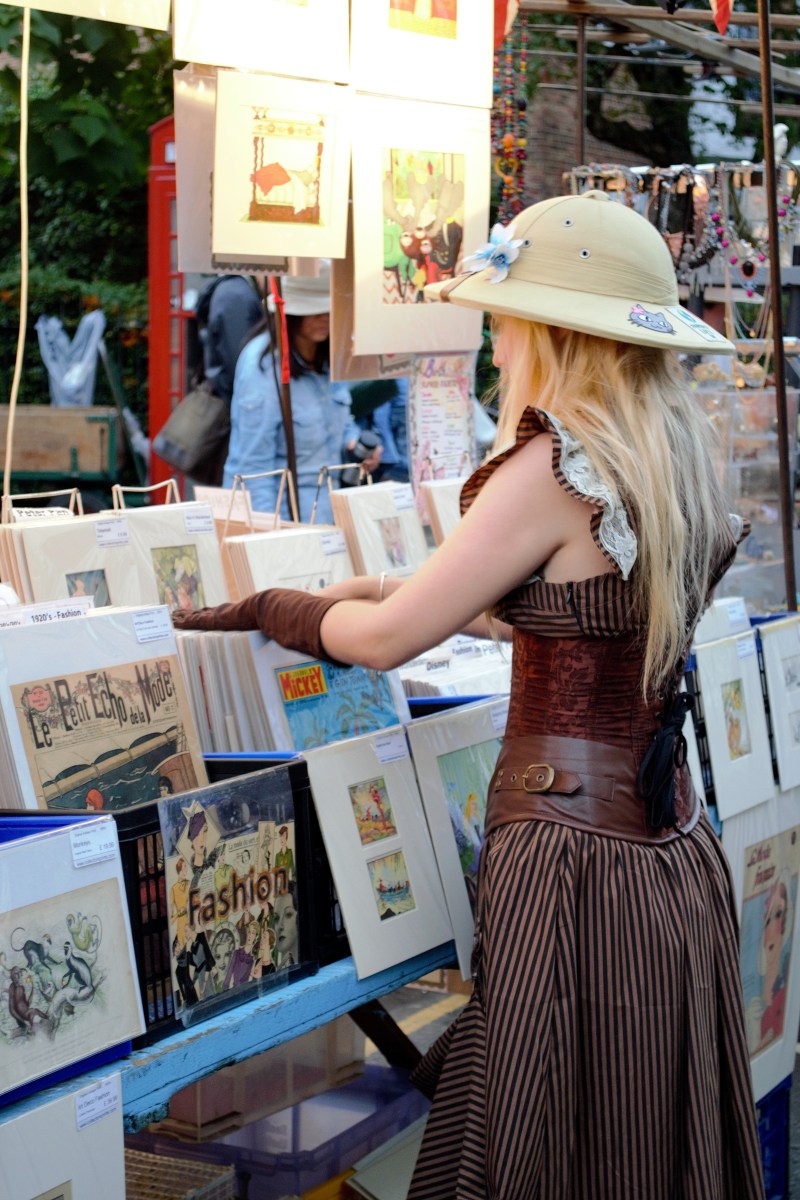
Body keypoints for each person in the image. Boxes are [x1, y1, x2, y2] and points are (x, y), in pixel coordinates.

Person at [171, 191, 764, 1198]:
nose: (493, 338)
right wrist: (378, 585)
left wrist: (284, 608)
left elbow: (389, 641)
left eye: (503, 314)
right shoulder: (671, 451)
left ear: (551, 329)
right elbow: (583, 614)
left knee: (542, 1127)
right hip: (666, 847)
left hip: (570, 856)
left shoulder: (549, 464)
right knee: (629, 1130)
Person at [223, 261, 381, 523]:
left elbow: (341, 420)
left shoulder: (326, 358)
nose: (325, 318)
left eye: (330, 310)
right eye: (315, 310)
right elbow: (253, 468)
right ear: (290, 313)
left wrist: (353, 442)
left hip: (329, 511)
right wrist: (275, 535)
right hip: (286, 515)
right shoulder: (262, 367)